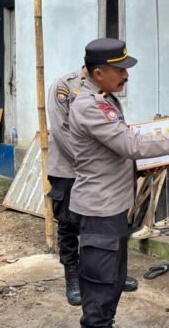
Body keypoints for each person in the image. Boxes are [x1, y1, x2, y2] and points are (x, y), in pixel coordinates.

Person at [68, 38, 169, 328]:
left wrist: (153, 162)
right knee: (100, 291)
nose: (126, 75)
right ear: (99, 73)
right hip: (99, 211)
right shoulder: (90, 105)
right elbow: (129, 144)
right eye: (121, 70)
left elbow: (116, 150)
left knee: (113, 283)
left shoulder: (105, 98)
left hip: (113, 209)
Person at [46, 67, 140, 306]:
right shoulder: (65, 85)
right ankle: (73, 277)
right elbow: (60, 130)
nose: (122, 74)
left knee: (105, 224)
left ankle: (107, 274)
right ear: (95, 67)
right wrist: (86, 162)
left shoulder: (107, 89)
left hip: (100, 173)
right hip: (68, 169)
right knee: (68, 225)